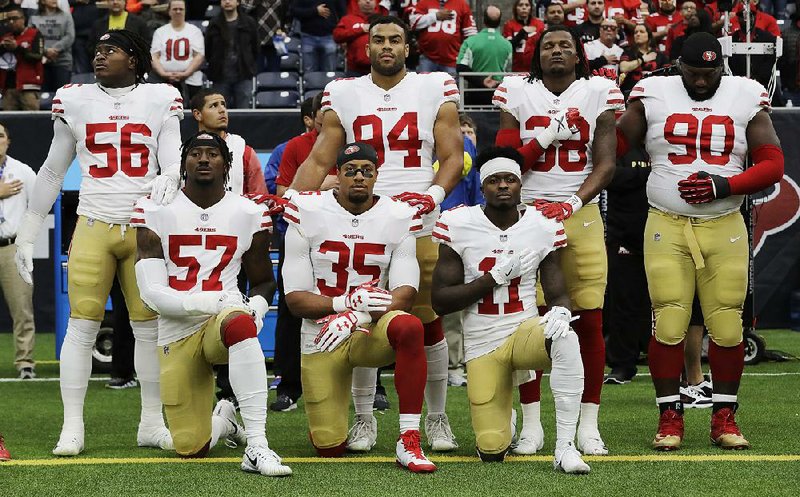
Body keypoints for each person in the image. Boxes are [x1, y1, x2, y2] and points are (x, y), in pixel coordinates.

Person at [289, 15, 465, 452]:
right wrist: (291, 201)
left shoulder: (434, 86)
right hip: (358, 224)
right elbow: (318, 159)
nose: (386, 46)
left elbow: (452, 156)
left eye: (395, 39)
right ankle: (365, 419)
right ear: (365, 48)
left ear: (409, 47)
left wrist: (434, 197)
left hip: (414, 221)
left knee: (426, 324)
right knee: (362, 319)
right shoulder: (344, 92)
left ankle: (436, 417)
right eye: (378, 40)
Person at [14, 29, 183, 456]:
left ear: (134, 58)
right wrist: (30, 230)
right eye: (97, 51)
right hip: (93, 221)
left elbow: (172, 157)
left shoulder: (161, 97)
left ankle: (151, 422)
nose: (100, 57)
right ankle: (72, 426)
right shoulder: (75, 98)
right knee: (82, 326)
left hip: (143, 228)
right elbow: (53, 170)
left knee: (148, 329)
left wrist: (168, 180)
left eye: (111, 50)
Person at [616, 32, 784, 450]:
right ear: (678, 66)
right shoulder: (653, 90)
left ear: (722, 67)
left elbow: (773, 163)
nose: (703, 82)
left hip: (724, 222)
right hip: (666, 223)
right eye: (695, 73)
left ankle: (724, 416)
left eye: (711, 73)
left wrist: (724, 186)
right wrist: (603, 112)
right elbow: (615, 143)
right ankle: (669, 415)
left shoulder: (745, 93)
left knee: (728, 324)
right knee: (669, 320)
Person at [493, 25, 622, 456]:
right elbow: (508, 162)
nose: (557, 52)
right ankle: (532, 424)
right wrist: (547, 133)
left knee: (588, 318)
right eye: (548, 45)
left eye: (565, 45)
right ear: (535, 54)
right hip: (526, 215)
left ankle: (588, 423)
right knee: (527, 321)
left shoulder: (598, 90)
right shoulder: (516, 90)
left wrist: (571, 202)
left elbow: (605, 164)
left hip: (579, 214)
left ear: (579, 54)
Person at [132, 131, 291, 476]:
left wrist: (257, 309)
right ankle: (225, 422)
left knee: (241, 322)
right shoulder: (155, 209)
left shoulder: (249, 212)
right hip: (177, 330)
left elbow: (264, 280)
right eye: (195, 153)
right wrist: (215, 299)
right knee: (190, 446)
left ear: (226, 164)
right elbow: (152, 295)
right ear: (183, 164)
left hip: (223, 321)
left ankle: (258, 446)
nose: (204, 159)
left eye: (212, 153)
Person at [430, 147, 588, 472]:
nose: (503, 186)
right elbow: (440, 301)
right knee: (490, 448)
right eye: (494, 180)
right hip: (481, 343)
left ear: (520, 185)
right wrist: (492, 278)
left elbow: (558, 290)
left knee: (566, 336)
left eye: (510, 179)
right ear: (482, 186)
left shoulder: (542, 225)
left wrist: (560, 311)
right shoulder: (458, 223)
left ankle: (566, 447)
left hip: (523, 332)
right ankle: (506, 415)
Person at [282, 141, 437, 472]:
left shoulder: (397, 215)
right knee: (329, 447)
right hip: (322, 334)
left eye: (367, 171)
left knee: (409, 325)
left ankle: (409, 438)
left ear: (377, 176)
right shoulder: (306, 209)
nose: (358, 177)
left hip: (369, 328)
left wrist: (356, 313)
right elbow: (295, 299)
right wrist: (341, 304)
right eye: (350, 171)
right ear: (336, 175)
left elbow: (405, 295)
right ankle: (348, 422)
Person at [438, 113, 483, 387]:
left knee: (462, 302)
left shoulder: (475, 161)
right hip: (431, 230)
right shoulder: (433, 150)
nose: (465, 136)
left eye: (469, 131)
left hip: (463, 235)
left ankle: (458, 363)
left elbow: (477, 196)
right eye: (461, 130)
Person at [602, 142, 651, 385]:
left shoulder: (662, 143)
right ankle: (622, 365)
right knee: (623, 302)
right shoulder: (619, 145)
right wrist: (650, 174)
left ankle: (669, 362)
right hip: (624, 235)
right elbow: (609, 175)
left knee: (669, 302)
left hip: (665, 235)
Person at [0, 122, 37, 380]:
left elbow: (38, 207)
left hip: (11, 248)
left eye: (0, 136)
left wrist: (26, 241)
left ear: (8, 141)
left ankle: (25, 363)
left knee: (22, 307)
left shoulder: (22, 171)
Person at [191, 88, 266, 196]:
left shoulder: (243, 151)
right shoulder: (185, 152)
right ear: (198, 114)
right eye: (214, 106)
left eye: (223, 105)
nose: (222, 110)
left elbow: (260, 198)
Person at [205, 0, 259, 109]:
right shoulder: (214, 24)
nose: (227, 1)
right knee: (219, 113)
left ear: (238, 2)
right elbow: (208, 50)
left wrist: (248, 63)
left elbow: (255, 48)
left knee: (243, 113)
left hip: (243, 75)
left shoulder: (249, 23)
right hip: (220, 77)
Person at [456, 5, 511, 107]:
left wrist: (481, 80)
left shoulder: (470, 42)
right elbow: (509, 70)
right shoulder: (507, 45)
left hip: (475, 96)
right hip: (499, 96)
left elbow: (460, 67)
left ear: (484, 20)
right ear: (500, 21)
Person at [150, 0, 205, 101]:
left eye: (181, 9)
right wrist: (163, 73)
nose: (178, 11)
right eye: (175, 9)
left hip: (191, 81)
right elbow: (154, 56)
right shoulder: (160, 32)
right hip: (164, 80)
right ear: (169, 11)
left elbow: (199, 56)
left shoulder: (195, 31)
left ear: (185, 11)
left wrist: (186, 73)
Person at [409, 0, 477, 77]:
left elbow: (471, 33)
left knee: (449, 88)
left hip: (451, 59)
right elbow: (413, 22)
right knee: (424, 87)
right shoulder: (424, 2)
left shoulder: (461, 4)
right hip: (427, 57)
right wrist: (435, 16)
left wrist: (463, 56)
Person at [0, 7, 45, 111]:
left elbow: (38, 56)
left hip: (28, 85)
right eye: (8, 19)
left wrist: (17, 48)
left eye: (15, 18)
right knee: (9, 123)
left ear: (23, 19)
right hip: (8, 87)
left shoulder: (34, 34)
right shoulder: (5, 37)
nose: (11, 22)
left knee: (31, 121)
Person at [30, 0, 75, 92]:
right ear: (42, 1)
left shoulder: (66, 16)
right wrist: (46, 51)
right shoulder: (34, 18)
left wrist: (55, 49)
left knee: (62, 97)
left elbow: (70, 36)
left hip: (63, 62)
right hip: (40, 62)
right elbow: (31, 38)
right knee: (44, 98)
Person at [291, 0, 347, 72]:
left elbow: (343, 14)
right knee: (309, 74)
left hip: (329, 36)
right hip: (308, 37)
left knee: (330, 73)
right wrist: (315, 11)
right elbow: (294, 11)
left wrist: (343, 36)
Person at [618, 23, 669, 96]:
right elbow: (623, 68)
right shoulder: (628, 52)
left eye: (641, 32)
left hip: (654, 93)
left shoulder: (660, 55)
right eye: (635, 32)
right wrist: (642, 59)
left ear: (649, 35)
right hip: (631, 93)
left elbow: (667, 75)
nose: (638, 34)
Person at [334, 0, 375, 76]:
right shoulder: (348, 19)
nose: (368, 1)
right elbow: (337, 35)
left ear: (375, 2)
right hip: (354, 70)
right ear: (358, 2)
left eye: (371, 0)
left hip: (378, 69)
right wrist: (360, 29)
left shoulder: (383, 20)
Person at [503, 0, 545, 73]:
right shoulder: (509, 25)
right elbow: (508, 47)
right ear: (515, 8)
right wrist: (521, 33)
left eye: (527, 5)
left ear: (531, 8)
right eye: (521, 5)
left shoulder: (539, 24)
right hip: (516, 68)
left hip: (536, 68)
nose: (524, 7)